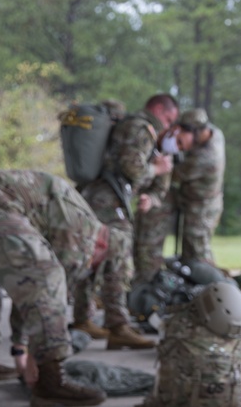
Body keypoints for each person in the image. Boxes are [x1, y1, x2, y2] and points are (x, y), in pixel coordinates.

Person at [0, 170, 132, 406]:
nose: (89, 268)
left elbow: (24, 287)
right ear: (104, 246)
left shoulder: (73, 215)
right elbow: (44, 288)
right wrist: (31, 353)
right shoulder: (85, 231)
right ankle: (50, 380)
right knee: (49, 276)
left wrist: (19, 348)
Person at [70, 93, 178, 348]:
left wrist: (149, 195)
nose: (168, 124)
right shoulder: (139, 126)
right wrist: (158, 169)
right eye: (168, 117)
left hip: (93, 198)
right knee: (118, 262)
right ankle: (118, 326)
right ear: (159, 108)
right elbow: (133, 168)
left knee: (92, 258)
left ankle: (83, 318)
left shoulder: (126, 125)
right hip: (110, 203)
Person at [133, 107, 226, 283]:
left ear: (197, 132)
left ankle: (214, 289)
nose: (177, 136)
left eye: (182, 133)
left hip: (202, 208)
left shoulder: (207, 157)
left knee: (196, 256)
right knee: (186, 256)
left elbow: (172, 173)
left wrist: (158, 162)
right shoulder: (212, 132)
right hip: (190, 197)